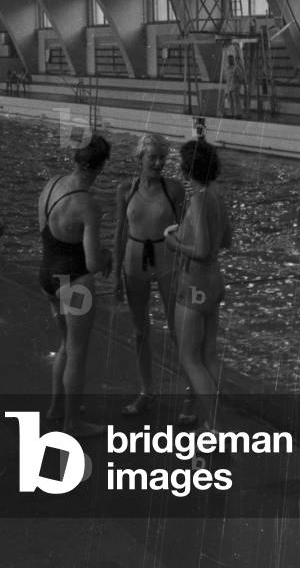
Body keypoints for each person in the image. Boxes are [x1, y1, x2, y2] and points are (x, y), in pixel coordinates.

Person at [38, 134, 113, 436]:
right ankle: (72, 423)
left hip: (47, 276)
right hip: (75, 284)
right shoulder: (88, 205)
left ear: (76, 159)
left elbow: (48, 233)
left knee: (65, 345)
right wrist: (107, 255)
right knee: (77, 353)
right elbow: (93, 263)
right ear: (102, 166)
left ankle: (57, 408)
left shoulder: (52, 184)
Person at [113, 134, 186, 416]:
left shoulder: (174, 190)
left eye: (162, 158)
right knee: (140, 330)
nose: (158, 163)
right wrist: (116, 274)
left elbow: (186, 230)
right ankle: (147, 391)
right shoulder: (125, 189)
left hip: (166, 259)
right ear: (140, 158)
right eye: (152, 157)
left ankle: (190, 393)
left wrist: (187, 265)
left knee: (178, 329)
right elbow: (120, 233)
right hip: (134, 260)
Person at [165, 138, 231, 432]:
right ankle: (212, 420)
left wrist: (174, 243)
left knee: (190, 359)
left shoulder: (197, 201)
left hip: (194, 283)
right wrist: (188, 233)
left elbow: (201, 250)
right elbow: (225, 240)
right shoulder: (216, 196)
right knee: (209, 355)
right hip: (214, 281)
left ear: (186, 169)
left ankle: (216, 425)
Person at [223, 53, 245, 118]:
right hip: (229, 88)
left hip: (235, 87)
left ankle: (238, 114)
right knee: (230, 102)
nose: (230, 61)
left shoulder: (236, 68)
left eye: (231, 59)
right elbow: (226, 79)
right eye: (229, 60)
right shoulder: (227, 69)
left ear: (233, 60)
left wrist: (238, 84)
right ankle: (231, 114)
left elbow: (241, 77)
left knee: (236, 102)